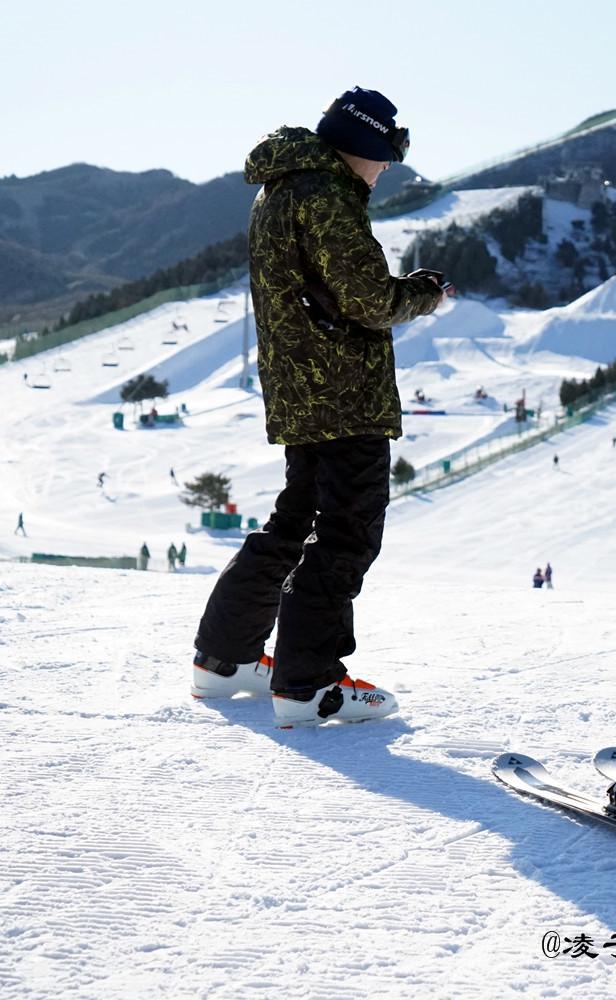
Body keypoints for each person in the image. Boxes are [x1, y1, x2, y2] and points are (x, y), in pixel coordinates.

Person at [190, 87, 448, 723]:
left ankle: (226, 660)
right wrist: (422, 294)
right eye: (385, 154)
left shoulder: (281, 187)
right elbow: (366, 299)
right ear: (359, 144)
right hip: (343, 390)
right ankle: (310, 684)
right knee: (347, 529)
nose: (387, 168)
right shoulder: (326, 195)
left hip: (301, 386)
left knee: (297, 520)